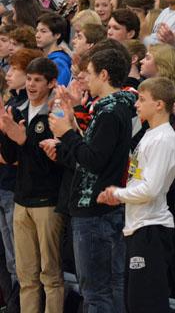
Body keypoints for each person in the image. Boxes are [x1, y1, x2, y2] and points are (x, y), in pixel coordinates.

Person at [47, 45, 135, 312]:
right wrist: (73, 126)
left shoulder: (110, 112)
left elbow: (93, 160)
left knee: (96, 292)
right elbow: (94, 151)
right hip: (103, 209)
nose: (86, 79)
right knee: (110, 287)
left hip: (95, 212)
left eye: (91, 73)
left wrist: (66, 133)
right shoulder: (114, 108)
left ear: (104, 75)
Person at [96, 77, 175, 313]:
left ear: (160, 105)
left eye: (142, 100)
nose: (136, 105)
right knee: (134, 303)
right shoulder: (150, 135)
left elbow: (151, 188)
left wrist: (118, 194)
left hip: (152, 229)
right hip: (138, 227)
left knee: (146, 304)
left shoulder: (164, 138)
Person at [0, 57, 65, 313]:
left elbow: (54, 162)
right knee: (26, 274)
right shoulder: (17, 110)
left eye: (38, 80)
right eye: (28, 79)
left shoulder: (56, 113)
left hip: (47, 201)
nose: (31, 85)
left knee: (50, 274)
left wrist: (23, 139)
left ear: (51, 83)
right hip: (20, 200)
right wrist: (6, 134)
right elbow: (12, 158)